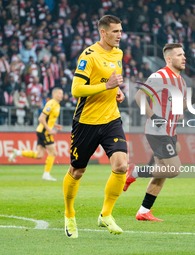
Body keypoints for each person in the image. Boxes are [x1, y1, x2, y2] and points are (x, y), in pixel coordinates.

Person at [63, 15, 127, 238]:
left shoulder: (118, 53)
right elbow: (76, 90)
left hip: (111, 119)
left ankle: (106, 214)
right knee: (77, 171)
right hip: (86, 122)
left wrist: (116, 91)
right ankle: (69, 214)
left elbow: (113, 80)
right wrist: (105, 85)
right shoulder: (88, 56)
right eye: (115, 31)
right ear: (103, 33)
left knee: (121, 166)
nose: (120, 35)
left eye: (120, 31)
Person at [124, 43, 195, 221]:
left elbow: (177, 108)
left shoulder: (181, 81)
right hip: (157, 130)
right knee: (174, 169)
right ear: (168, 59)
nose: (184, 58)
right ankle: (134, 172)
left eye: (184, 54)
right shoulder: (159, 76)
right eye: (179, 55)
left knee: (162, 173)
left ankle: (143, 211)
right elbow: (139, 97)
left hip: (170, 131)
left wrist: (192, 100)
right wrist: (153, 116)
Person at [8, 88, 64, 180]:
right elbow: (41, 118)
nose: (61, 95)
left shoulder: (57, 105)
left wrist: (55, 125)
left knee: (39, 155)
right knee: (53, 152)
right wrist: (49, 130)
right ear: (53, 95)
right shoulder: (51, 103)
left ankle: (17, 152)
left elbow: (49, 118)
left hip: (42, 131)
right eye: (59, 93)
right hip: (44, 131)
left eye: (62, 93)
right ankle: (46, 174)